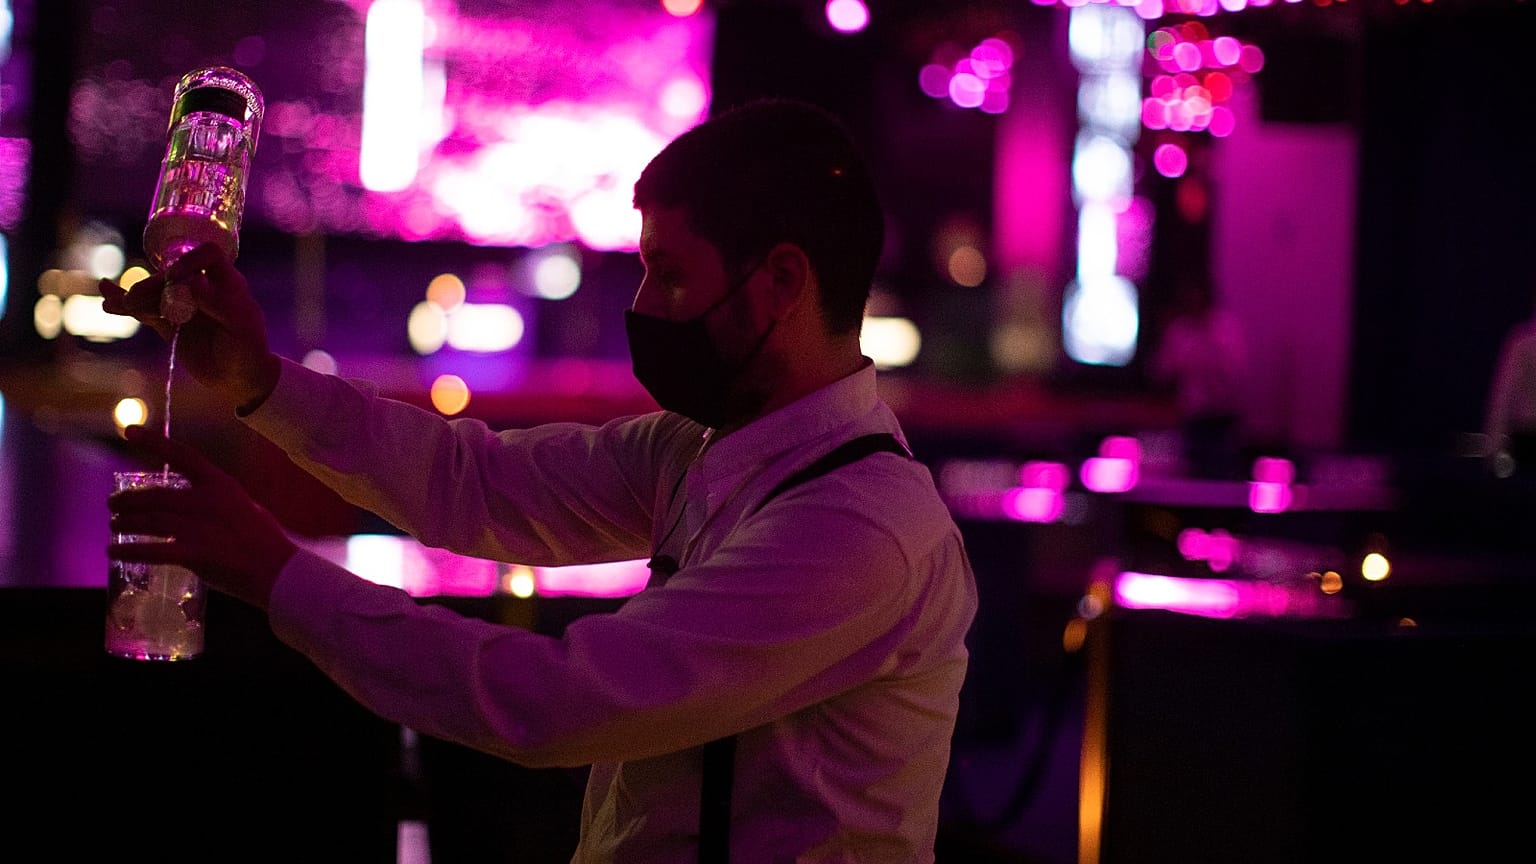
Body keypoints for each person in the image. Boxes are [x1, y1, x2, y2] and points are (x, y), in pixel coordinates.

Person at [102, 97, 978, 863]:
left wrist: (276, 575)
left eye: (670, 274)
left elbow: (560, 702)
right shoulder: (703, 450)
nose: (644, 305)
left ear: (782, 281)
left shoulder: (857, 531)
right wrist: (259, 380)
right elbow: (476, 483)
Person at [1148, 269, 1251, 480]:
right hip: (1193, 418)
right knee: (1191, 475)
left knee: (1222, 476)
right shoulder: (1179, 331)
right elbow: (1160, 371)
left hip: (1223, 418)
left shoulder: (1226, 329)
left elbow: (1237, 373)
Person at [1483, 298, 1536, 477]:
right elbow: (1504, 396)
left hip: (1526, 439)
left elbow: (1503, 398)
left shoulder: (1522, 342)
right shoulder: (1522, 343)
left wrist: (1494, 448)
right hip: (1526, 439)